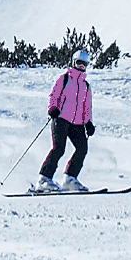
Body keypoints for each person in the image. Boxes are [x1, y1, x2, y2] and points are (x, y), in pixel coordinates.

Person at [32, 49, 96, 192]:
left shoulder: (86, 85)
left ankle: (70, 179)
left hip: (77, 123)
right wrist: (52, 108)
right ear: (73, 62)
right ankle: (44, 179)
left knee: (82, 149)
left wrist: (89, 123)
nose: (81, 67)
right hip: (61, 118)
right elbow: (54, 95)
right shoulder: (65, 79)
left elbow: (87, 106)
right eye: (79, 63)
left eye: (84, 65)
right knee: (59, 149)